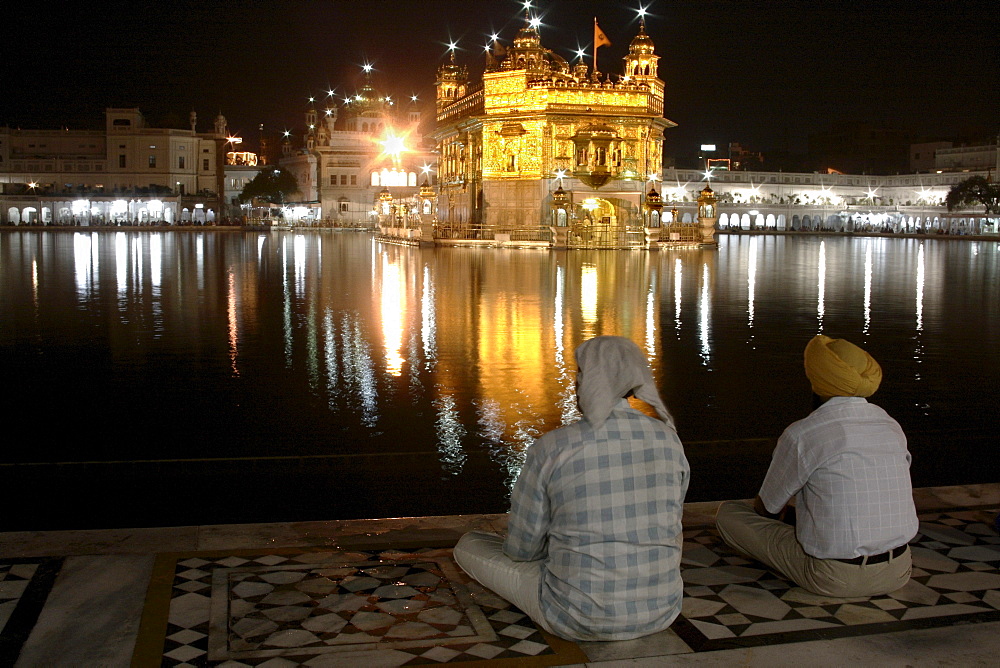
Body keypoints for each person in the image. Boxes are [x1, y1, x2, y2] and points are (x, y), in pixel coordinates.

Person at [453, 336, 689, 641]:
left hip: (573, 617)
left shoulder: (554, 447)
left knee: (469, 544)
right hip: (662, 611)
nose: (576, 382)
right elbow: (672, 523)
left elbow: (522, 550)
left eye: (580, 374)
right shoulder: (669, 440)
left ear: (587, 381)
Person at [716, 334, 918, 598]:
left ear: (816, 380)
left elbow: (766, 508)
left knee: (729, 515)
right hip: (900, 570)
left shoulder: (804, 433)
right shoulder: (890, 425)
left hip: (834, 577)